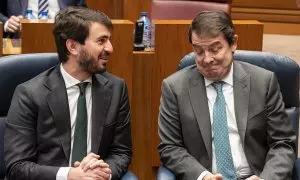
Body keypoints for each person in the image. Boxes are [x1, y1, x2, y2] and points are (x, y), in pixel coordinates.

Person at [158, 11, 296, 180]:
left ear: (233, 44)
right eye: (199, 51)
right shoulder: (175, 88)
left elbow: (282, 144)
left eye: (215, 49)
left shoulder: (263, 82)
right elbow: (170, 147)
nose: (207, 59)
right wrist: (202, 176)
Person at [5, 7, 132, 180]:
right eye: (101, 41)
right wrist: (69, 175)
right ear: (72, 46)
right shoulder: (30, 93)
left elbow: (121, 152)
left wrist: (101, 173)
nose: (110, 48)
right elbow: (17, 166)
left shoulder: (116, 88)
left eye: (109, 40)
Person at [1, 0, 85, 34]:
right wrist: (6, 22)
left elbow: (83, 12)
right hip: (19, 38)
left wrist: (71, 22)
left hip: (62, 38)